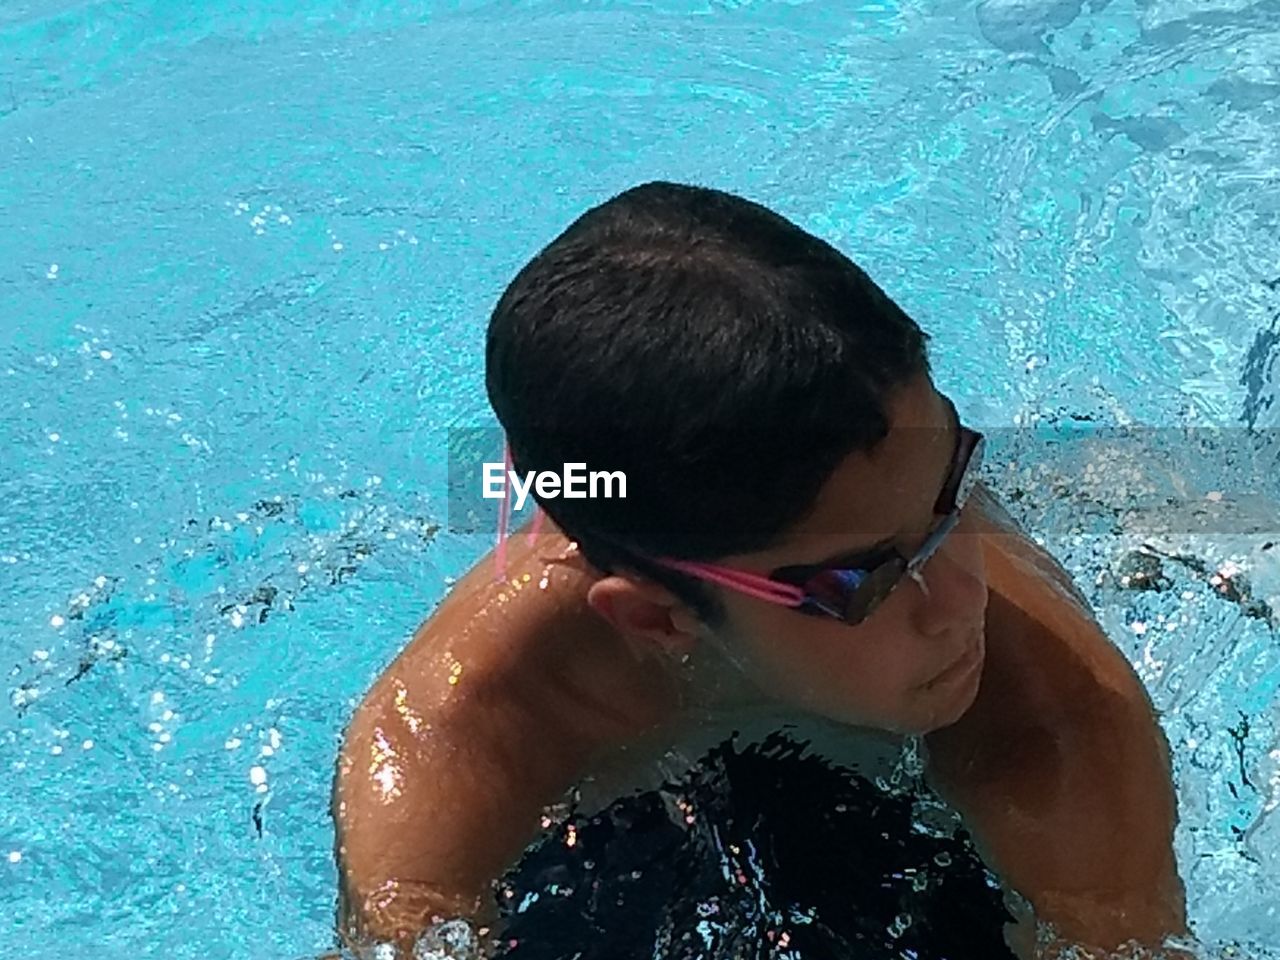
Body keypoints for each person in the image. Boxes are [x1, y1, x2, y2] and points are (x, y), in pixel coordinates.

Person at [329, 181, 1189, 960]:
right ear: (657, 617)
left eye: (951, 487)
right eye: (866, 580)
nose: (961, 601)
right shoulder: (450, 737)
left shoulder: (1057, 718)